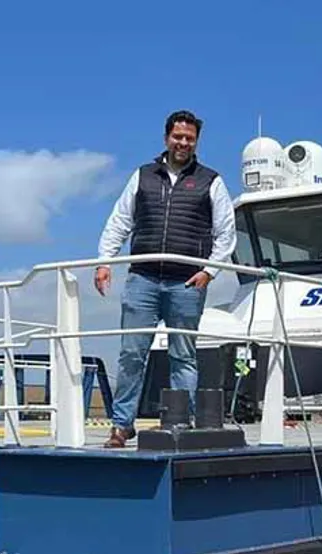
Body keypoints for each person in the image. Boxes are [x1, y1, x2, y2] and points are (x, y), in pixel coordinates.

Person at [94, 109, 236, 448]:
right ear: (166, 138)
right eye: (178, 136)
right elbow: (120, 220)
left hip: (186, 282)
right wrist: (104, 261)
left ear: (196, 142)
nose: (183, 143)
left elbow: (226, 232)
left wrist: (209, 271)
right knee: (131, 354)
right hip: (142, 279)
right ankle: (121, 426)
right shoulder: (143, 176)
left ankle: (180, 422)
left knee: (182, 355)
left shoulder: (211, 181)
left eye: (189, 138)